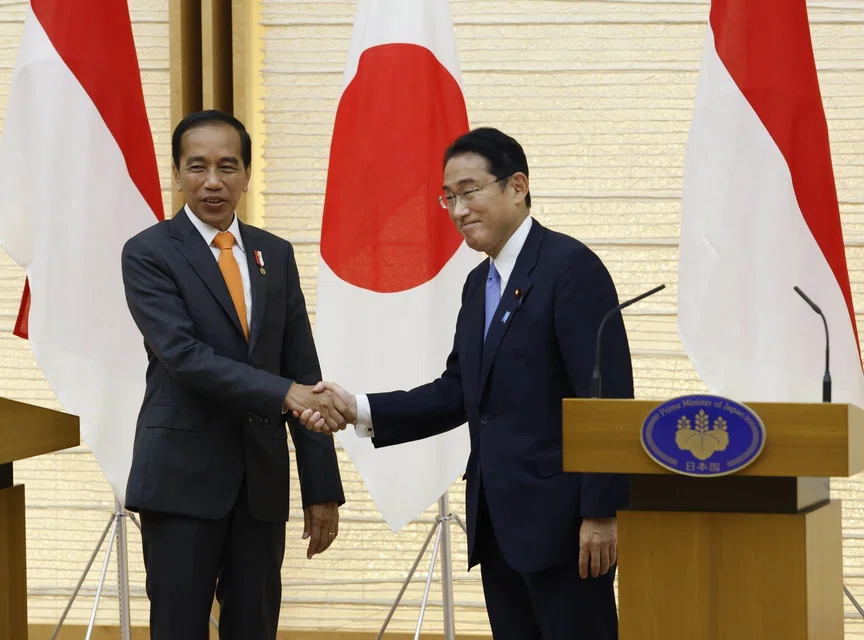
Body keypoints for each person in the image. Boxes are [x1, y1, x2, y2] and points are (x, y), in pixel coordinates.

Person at [298, 127, 633, 639]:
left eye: (470, 191)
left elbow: (606, 397)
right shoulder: (480, 283)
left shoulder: (570, 268)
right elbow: (457, 391)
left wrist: (602, 512)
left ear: (517, 186)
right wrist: (358, 406)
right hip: (498, 522)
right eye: (448, 197)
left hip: (566, 526)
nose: (457, 210)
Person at [121, 109, 348, 640]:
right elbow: (184, 356)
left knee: (256, 628)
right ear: (177, 173)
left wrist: (322, 488)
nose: (213, 181)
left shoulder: (276, 254)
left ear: (247, 173)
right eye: (197, 166)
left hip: (260, 485)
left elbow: (302, 369)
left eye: (228, 166)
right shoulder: (149, 253)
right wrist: (284, 393)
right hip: (181, 481)